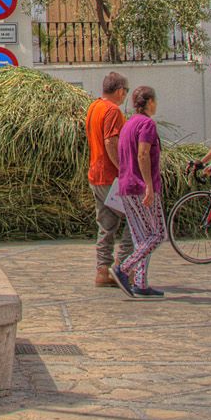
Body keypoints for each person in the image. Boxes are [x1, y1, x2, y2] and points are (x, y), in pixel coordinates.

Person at [109, 84, 167, 298]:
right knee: (158, 234)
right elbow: (143, 155)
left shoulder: (129, 124)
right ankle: (124, 268)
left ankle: (140, 283)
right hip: (142, 187)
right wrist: (149, 186)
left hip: (126, 185)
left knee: (141, 237)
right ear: (150, 102)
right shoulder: (147, 125)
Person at [84, 72, 133, 289]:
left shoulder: (94, 107)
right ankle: (122, 267)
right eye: (126, 92)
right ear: (120, 90)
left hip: (95, 174)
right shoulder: (113, 111)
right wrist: (125, 170)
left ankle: (102, 271)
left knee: (105, 225)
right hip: (110, 176)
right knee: (136, 220)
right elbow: (111, 142)